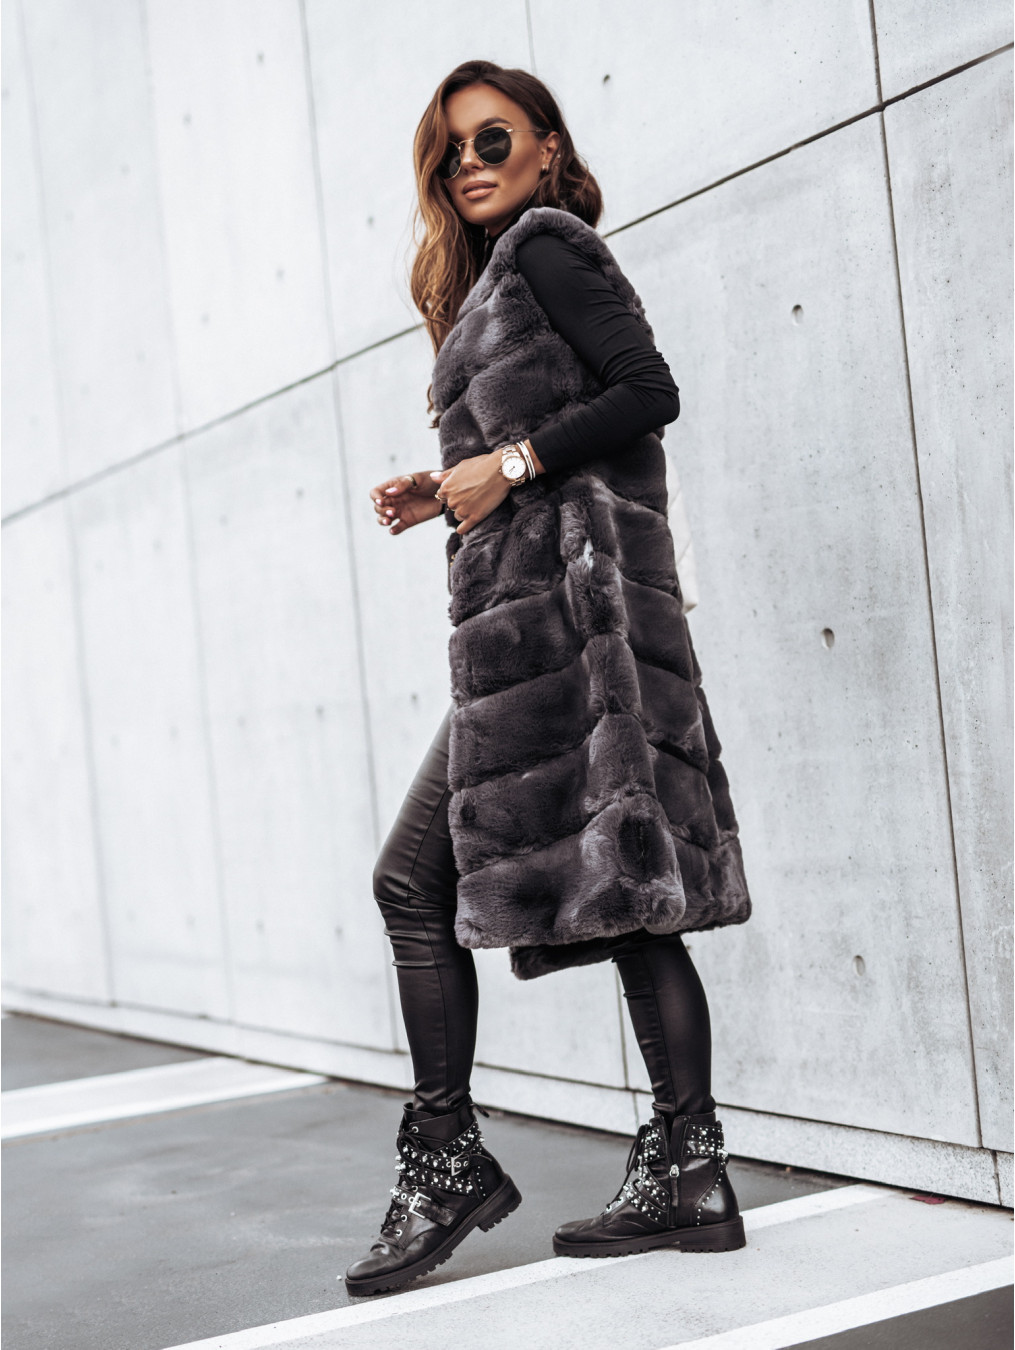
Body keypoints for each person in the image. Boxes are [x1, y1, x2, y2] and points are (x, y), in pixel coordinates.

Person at [344, 60, 752, 1298]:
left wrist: (508, 464)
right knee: (621, 902)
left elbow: (648, 392)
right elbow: (552, 434)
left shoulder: (548, 246)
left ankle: (448, 1160)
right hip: (537, 641)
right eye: (451, 149)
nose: (469, 162)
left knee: (417, 881)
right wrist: (451, 486)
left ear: (545, 148)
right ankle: (686, 1169)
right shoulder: (496, 283)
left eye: (493, 138)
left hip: (576, 634)